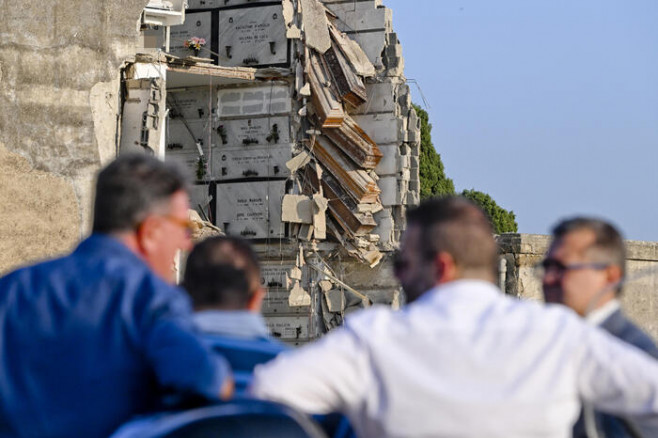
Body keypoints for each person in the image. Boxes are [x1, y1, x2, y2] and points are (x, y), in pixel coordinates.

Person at [251, 196, 658, 438]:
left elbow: (268, 392)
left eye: (404, 263)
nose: (397, 275)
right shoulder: (557, 334)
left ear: (441, 267)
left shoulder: (374, 337)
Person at [0, 154, 231, 438]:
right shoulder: (151, 298)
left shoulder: (13, 288)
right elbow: (208, 383)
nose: (186, 242)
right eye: (183, 228)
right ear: (151, 231)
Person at [542, 217, 658, 437]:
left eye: (560, 268)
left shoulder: (635, 354)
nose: (548, 279)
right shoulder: (549, 343)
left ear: (609, 276)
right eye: (546, 266)